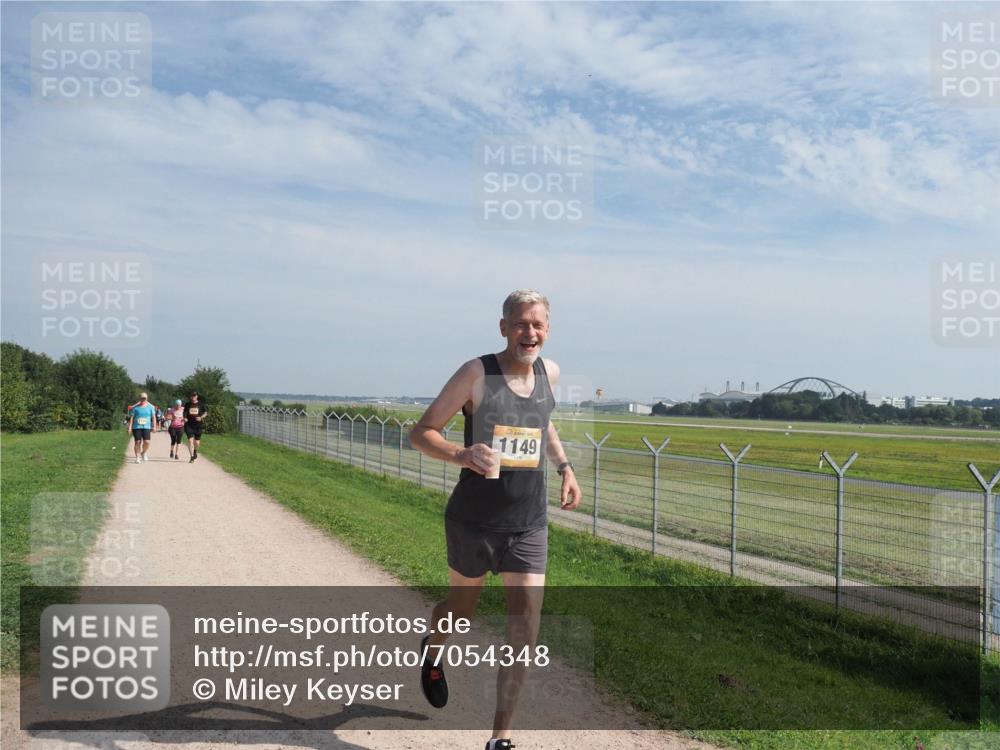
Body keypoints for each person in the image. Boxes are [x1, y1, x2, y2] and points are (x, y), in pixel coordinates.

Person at [409, 289, 581, 750]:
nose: (530, 333)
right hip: (473, 521)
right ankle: (434, 646)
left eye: (538, 325)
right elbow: (421, 432)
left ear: (548, 329)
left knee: (525, 626)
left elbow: (541, 422)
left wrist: (564, 467)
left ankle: (500, 739)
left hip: (528, 523)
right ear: (503, 327)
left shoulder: (551, 373)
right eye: (521, 324)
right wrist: (462, 453)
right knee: (460, 614)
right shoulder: (476, 373)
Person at [127, 393, 157, 464]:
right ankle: (137, 457)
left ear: (147, 399)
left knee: (147, 442)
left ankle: (143, 452)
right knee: (137, 442)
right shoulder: (135, 408)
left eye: (144, 398)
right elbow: (132, 418)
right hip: (136, 427)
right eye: (142, 398)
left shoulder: (150, 407)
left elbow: (153, 417)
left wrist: (154, 426)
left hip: (146, 427)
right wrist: (130, 428)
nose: (143, 399)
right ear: (139, 399)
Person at [183, 391, 206, 462]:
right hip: (189, 425)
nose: (193, 397)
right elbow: (185, 413)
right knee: (190, 441)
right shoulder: (187, 404)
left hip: (198, 425)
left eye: (194, 395)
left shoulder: (201, 404)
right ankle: (192, 456)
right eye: (192, 395)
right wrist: (185, 418)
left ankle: (195, 451)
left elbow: (205, 412)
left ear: (197, 396)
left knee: (197, 442)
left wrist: (201, 417)